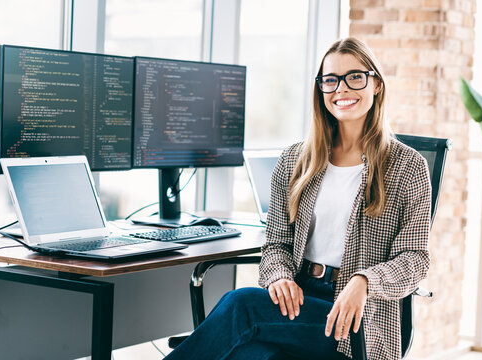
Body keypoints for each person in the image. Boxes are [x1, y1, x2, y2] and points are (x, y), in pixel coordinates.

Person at [164, 37, 431, 360]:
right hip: (297, 301)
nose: (341, 89)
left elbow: (415, 259)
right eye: (330, 80)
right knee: (243, 353)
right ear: (320, 90)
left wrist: (365, 281)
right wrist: (278, 276)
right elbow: (276, 244)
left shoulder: (408, 166)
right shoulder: (295, 160)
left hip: (358, 317)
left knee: (240, 306)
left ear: (376, 85)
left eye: (355, 77)